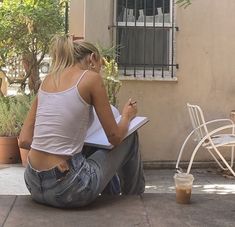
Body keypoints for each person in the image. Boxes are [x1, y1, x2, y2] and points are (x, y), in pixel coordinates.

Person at [18, 34, 145, 208]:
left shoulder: (48, 80)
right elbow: (115, 137)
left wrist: (55, 145)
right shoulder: (90, 79)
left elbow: (24, 140)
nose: (99, 71)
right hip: (69, 188)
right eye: (100, 66)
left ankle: (114, 196)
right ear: (92, 58)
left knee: (86, 149)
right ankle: (136, 200)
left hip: (33, 183)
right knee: (129, 136)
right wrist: (126, 116)